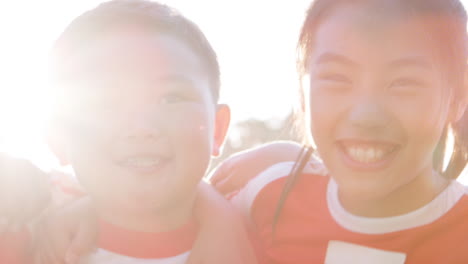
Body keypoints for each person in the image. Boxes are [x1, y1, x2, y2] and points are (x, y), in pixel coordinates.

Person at [215, 0, 468, 263]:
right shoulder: (267, 198)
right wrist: (213, 209)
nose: (366, 116)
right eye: (337, 78)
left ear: (458, 97)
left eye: (403, 83)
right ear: (304, 88)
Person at [42, 0, 256, 263]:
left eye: (171, 98)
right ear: (58, 136)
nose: (141, 129)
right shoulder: (25, 234)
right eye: (105, 103)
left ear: (218, 129)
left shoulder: (271, 224)